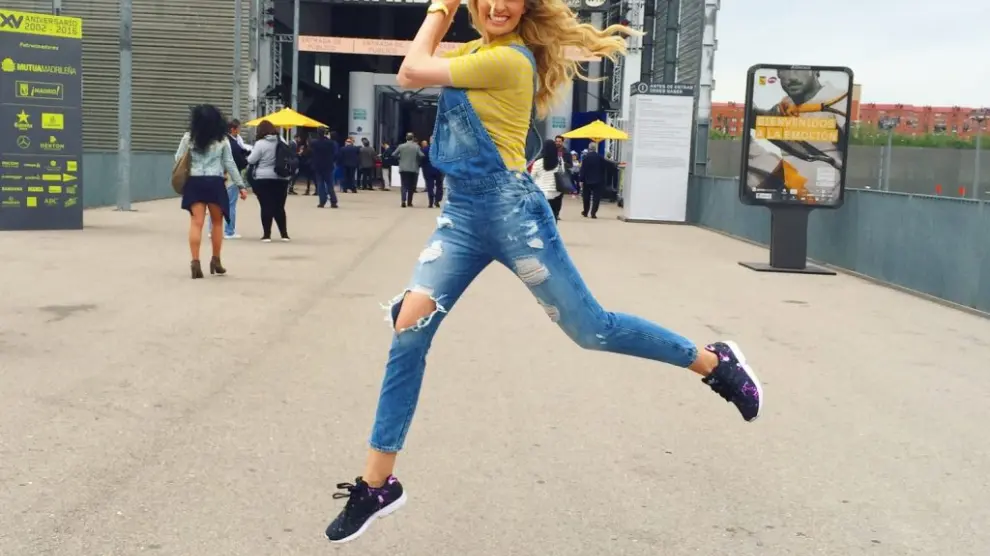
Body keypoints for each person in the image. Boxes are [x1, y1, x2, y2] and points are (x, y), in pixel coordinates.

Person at [324, 0, 764, 544]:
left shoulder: (509, 60)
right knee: (408, 329)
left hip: (514, 217)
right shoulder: (476, 51)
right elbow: (416, 74)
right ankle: (377, 485)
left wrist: (441, 6)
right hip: (461, 216)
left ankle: (714, 363)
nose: (500, 5)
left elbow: (411, 69)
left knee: (591, 329)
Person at [175, 104, 247, 279]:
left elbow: (178, 158)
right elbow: (229, 163)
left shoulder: (188, 138)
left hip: (195, 182)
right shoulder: (222, 140)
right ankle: (216, 260)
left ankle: (195, 262)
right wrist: (241, 185)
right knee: (217, 222)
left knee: (196, 223)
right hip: (215, 182)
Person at [246, 120, 291, 242]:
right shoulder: (282, 141)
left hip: (263, 178)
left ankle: (267, 235)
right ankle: (284, 234)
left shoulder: (260, 143)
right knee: (280, 207)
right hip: (281, 178)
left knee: (266, 206)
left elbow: (251, 160)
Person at [530, 138, 566, 221]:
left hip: (541, 193)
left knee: (541, 218)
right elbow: (562, 173)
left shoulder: (538, 162)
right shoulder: (560, 161)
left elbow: (532, 178)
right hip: (556, 192)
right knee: (554, 216)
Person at [309, 127, 339, 208]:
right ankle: (333, 201)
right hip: (328, 165)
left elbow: (310, 152)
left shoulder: (314, 142)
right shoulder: (330, 143)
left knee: (320, 184)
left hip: (318, 166)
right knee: (329, 184)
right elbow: (335, 154)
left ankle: (322, 201)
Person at [393, 132, 423, 207]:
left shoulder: (401, 146)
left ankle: (403, 200)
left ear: (406, 138)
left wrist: (400, 158)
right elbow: (421, 155)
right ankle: (409, 202)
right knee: (411, 186)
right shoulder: (416, 146)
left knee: (404, 185)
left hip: (403, 168)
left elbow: (393, 154)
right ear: (412, 138)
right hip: (413, 168)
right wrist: (417, 160)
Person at [579, 141, 605, 218]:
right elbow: (603, 169)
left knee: (586, 197)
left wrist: (581, 180)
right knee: (596, 197)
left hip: (587, 180)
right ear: (595, 148)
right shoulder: (600, 157)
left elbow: (583, 169)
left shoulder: (585, 157)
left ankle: (585, 211)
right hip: (598, 180)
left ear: (589, 148)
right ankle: (593, 213)